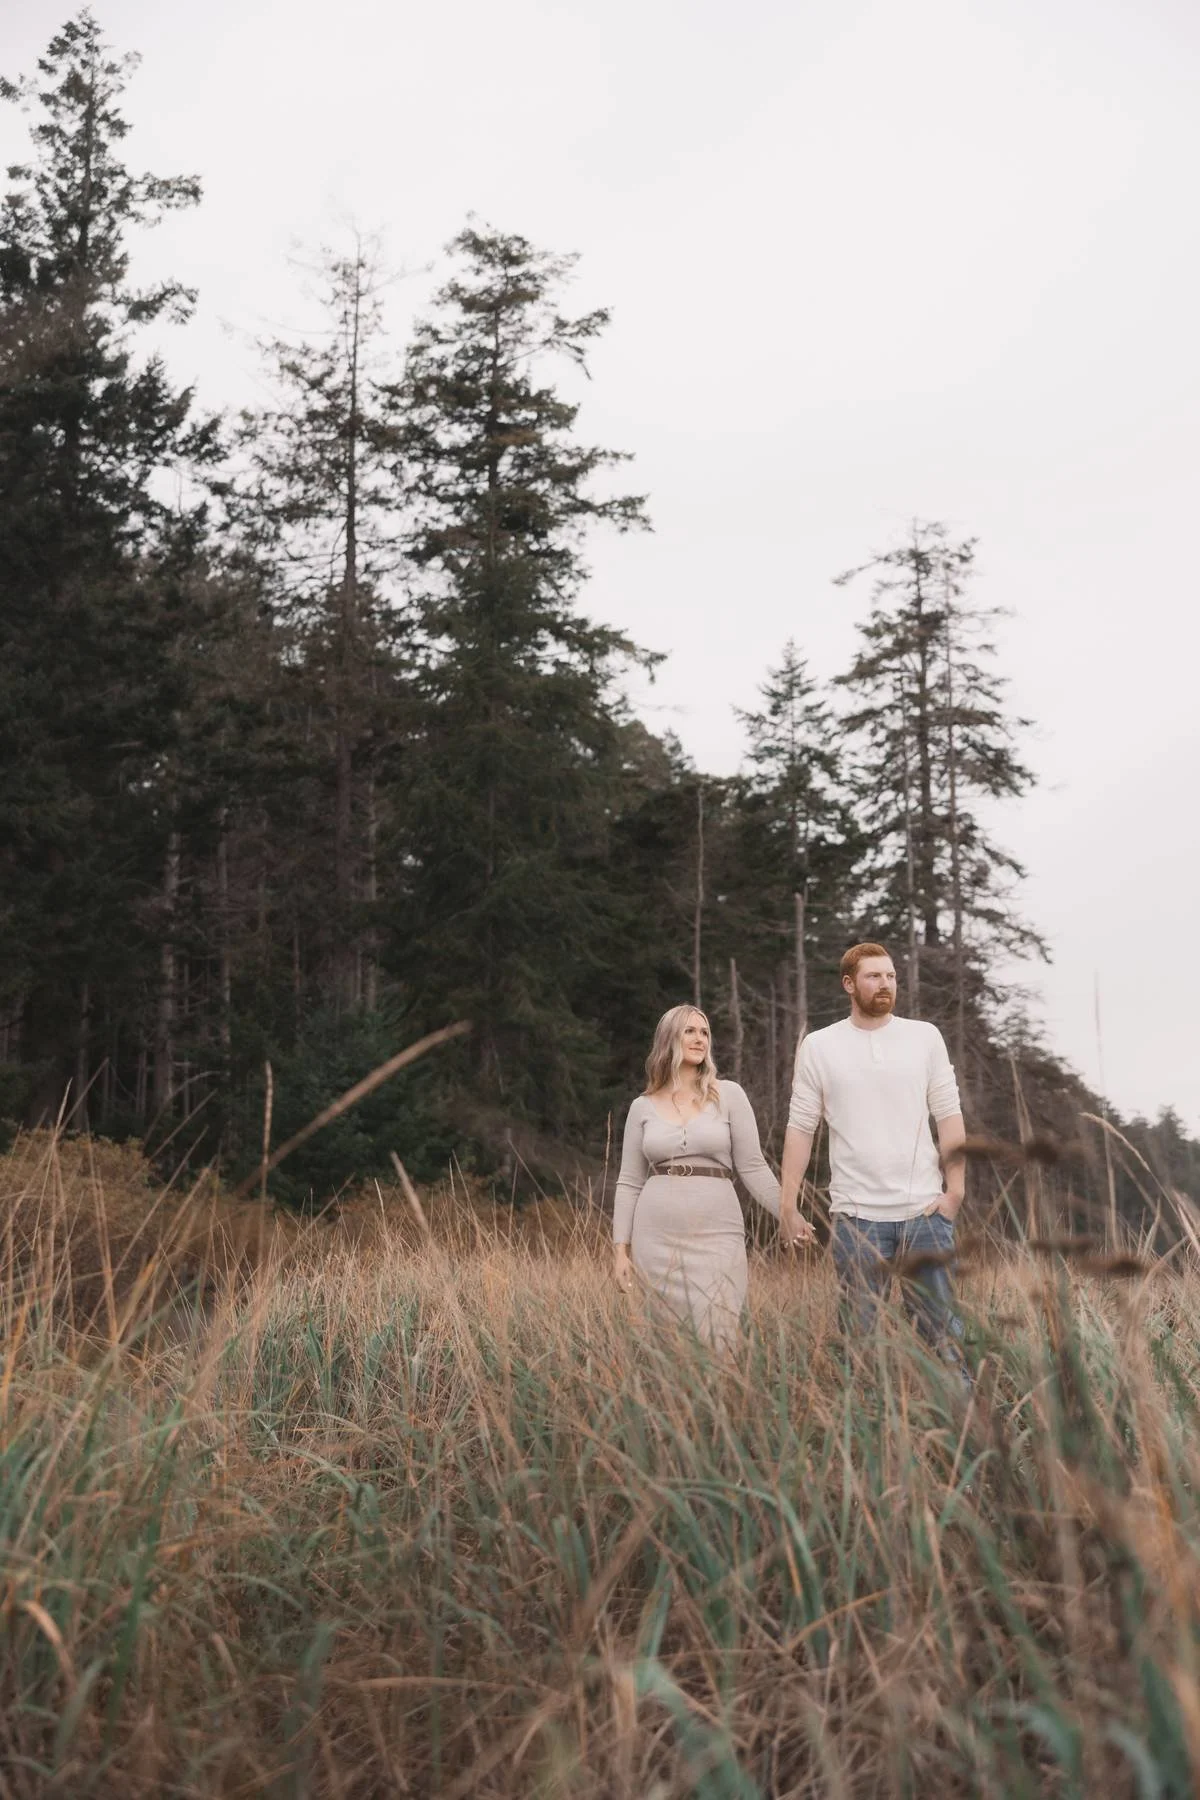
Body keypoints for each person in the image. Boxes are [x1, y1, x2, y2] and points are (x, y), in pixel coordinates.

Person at [779, 943, 968, 1364]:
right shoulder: (820, 1046)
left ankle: (959, 1423)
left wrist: (954, 1191)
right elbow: (801, 1129)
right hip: (857, 1219)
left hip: (925, 1214)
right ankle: (866, 1425)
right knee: (859, 1346)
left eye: (891, 976)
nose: (885, 984)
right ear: (849, 984)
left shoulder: (924, 1037)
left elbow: (949, 1115)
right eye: (873, 976)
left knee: (943, 1341)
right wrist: (788, 1205)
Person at [612, 1005, 814, 1350]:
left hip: (718, 1232)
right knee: (666, 1341)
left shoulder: (729, 1094)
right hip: (656, 1238)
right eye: (689, 1031)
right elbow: (629, 1182)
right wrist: (620, 1251)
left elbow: (752, 1166)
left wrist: (787, 1211)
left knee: (720, 1331)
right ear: (668, 1039)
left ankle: (729, 1402)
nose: (699, 1039)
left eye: (704, 1032)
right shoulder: (641, 1106)